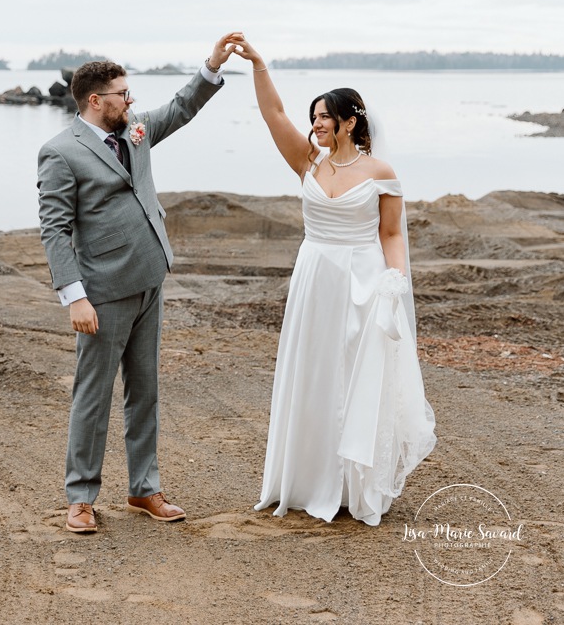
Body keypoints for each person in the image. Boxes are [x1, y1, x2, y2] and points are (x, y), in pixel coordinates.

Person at [38, 33, 239, 533]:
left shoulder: (136, 129)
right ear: (95, 100)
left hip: (151, 279)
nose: (131, 101)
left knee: (144, 391)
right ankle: (81, 497)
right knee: (94, 393)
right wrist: (75, 296)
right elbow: (55, 229)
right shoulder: (60, 152)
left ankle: (144, 489)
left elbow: (180, 108)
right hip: (102, 291)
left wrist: (212, 65)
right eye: (122, 94)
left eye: (129, 94)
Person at [232, 37, 436, 526]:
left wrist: (396, 283)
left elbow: (390, 234)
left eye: (324, 117)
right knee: (315, 372)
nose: (316, 124)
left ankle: (352, 484)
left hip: (364, 279)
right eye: (314, 117)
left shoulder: (380, 171)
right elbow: (273, 114)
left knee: (355, 376)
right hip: (314, 278)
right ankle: (307, 479)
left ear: (350, 121)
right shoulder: (308, 161)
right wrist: (260, 65)